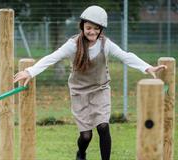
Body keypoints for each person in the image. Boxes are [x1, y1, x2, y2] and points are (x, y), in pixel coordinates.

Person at [13, 5, 166, 160]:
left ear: (101, 29)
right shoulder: (72, 45)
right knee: (86, 136)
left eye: (96, 28)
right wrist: (30, 71)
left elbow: (126, 56)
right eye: (88, 28)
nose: (92, 31)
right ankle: (81, 153)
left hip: (100, 89)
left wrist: (147, 67)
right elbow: (53, 57)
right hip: (79, 92)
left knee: (103, 126)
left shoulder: (105, 44)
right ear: (82, 27)